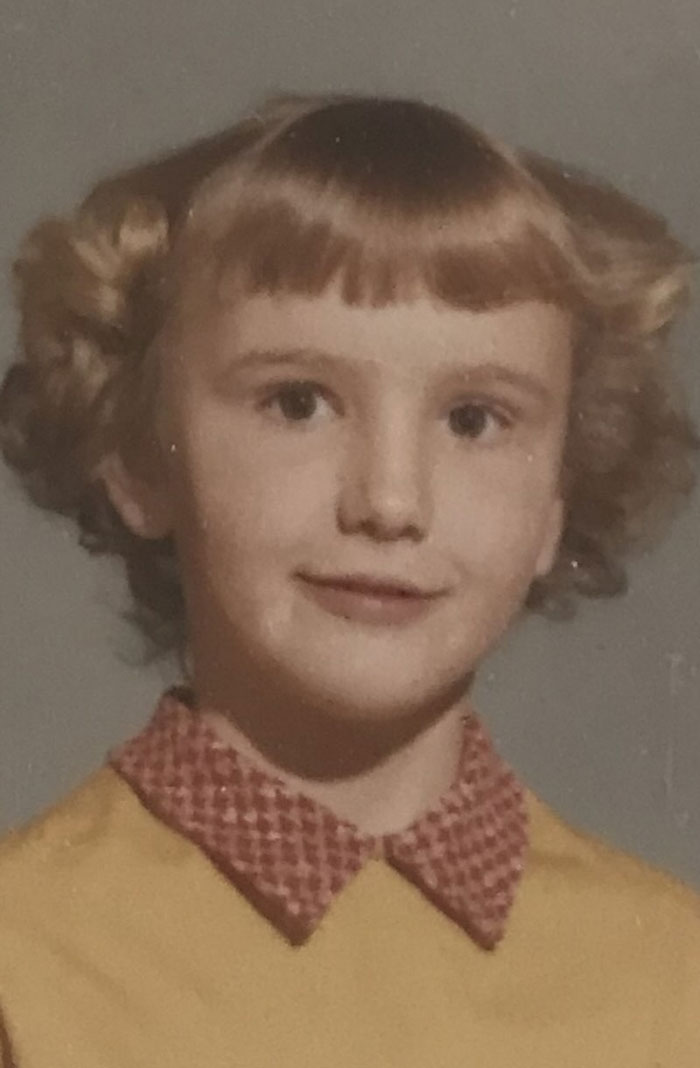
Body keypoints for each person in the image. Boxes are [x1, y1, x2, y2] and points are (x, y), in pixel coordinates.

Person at [0, 92, 698, 1067]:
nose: (389, 501)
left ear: (556, 499)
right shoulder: (25, 958)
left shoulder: (671, 973)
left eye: (473, 419)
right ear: (139, 457)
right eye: (298, 402)